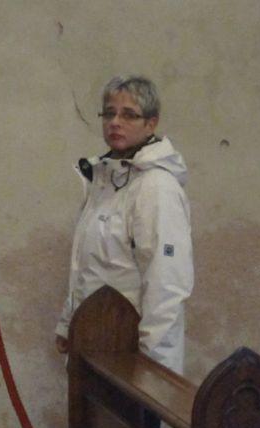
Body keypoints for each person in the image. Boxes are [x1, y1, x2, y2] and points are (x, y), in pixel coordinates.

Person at [54, 76, 193, 375]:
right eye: (109, 113)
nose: (115, 122)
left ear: (151, 123)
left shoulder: (156, 187)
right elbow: (88, 266)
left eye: (129, 115)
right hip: (95, 341)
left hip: (130, 352)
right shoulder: (105, 181)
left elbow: (166, 285)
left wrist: (152, 369)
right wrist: (69, 324)